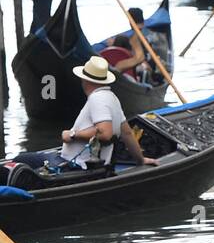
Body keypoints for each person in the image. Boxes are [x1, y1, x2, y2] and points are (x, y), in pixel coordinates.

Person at [11, 56, 156, 172]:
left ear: (85, 80)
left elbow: (105, 133)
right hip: (89, 164)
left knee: (19, 160)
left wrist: (72, 135)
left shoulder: (97, 99)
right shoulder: (112, 98)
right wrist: (140, 160)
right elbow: (127, 134)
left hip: (74, 165)